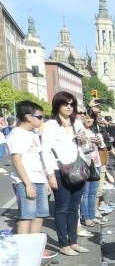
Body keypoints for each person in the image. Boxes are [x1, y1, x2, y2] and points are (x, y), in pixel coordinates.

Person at [41, 91, 88, 257]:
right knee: (62, 208)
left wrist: (83, 140)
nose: (69, 107)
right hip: (59, 171)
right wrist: (50, 175)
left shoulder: (77, 124)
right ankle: (63, 244)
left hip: (78, 169)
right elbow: (45, 152)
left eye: (71, 104)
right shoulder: (51, 125)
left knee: (74, 208)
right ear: (58, 105)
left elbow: (84, 146)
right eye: (65, 104)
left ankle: (73, 241)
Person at [7, 101, 57, 257]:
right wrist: (27, 184)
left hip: (39, 180)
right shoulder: (16, 135)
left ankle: (35, 250)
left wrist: (46, 180)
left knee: (40, 214)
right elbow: (17, 161)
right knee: (27, 216)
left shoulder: (33, 134)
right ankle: (22, 253)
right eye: (39, 117)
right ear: (28, 117)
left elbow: (38, 159)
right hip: (25, 181)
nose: (42, 120)